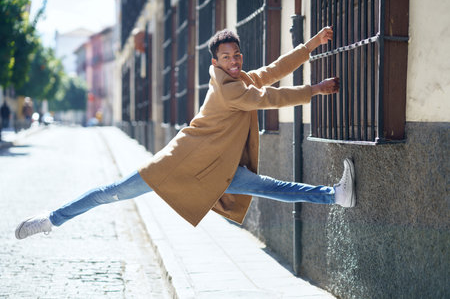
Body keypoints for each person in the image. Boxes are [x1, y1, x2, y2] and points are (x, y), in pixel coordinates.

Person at [15, 26, 356, 240]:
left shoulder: (240, 79)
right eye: (227, 57)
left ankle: (337, 196)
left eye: (237, 54)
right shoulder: (230, 90)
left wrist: (311, 45)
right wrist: (314, 89)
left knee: (273, 188)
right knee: (113, 191)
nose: (234, 60)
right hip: (177, 163)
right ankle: (51, 220)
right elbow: (270, 98)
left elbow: (272, 71)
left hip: (218, 169)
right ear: (215, 63)